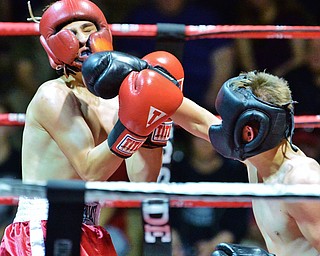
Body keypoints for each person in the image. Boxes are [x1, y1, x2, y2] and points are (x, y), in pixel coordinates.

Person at [0, 0, 221, 255]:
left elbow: (143, 179)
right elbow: (91, 169)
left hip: (91, 227)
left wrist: (157, 122)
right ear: (54, 45)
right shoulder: (54, 96)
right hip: (43, 229)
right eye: (71, 33)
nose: (83, 38)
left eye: (87, 28)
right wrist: (134, 126)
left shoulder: (124, 93)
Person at [209, 71, 320, 255]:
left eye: (230, 123)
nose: (224, 130)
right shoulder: (256, 162)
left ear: (250, 131)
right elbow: (199, 123)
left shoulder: (301, 181)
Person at [170, 134, 249, 256]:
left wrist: (214, 246)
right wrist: (173, 242)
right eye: (199, 138)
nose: (204, 143)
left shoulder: (234, 171)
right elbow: (168, 212)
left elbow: (239, 220)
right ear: (190, 139)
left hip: (224, 243)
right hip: (182, 243)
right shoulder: (177, 168)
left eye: (208, 138)